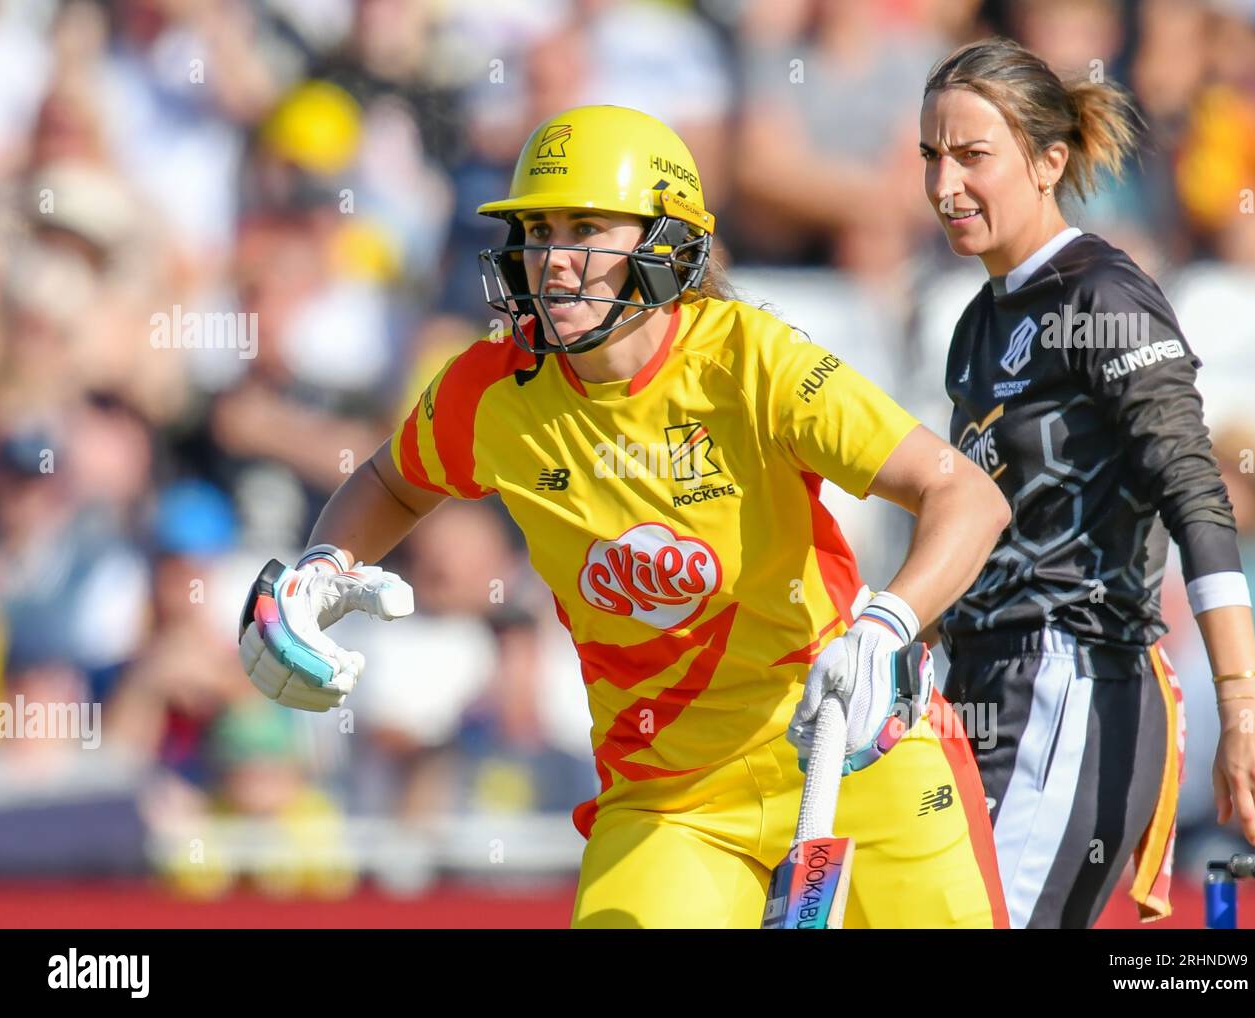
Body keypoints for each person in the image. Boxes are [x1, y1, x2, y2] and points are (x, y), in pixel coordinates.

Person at [236, 104, 1012, 929]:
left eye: (585, 228)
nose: (552, 261)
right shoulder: (490, 387)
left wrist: (889, 623)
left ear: (663, 243)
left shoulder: (756, 362)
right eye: (537, 230)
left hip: (853, 756)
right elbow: (393, 482)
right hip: (669, 797)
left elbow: (966, 492)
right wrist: (323, 567)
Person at [920, 37, 1255, 928]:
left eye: (973, 156)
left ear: (1050, 160)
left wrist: (1245, 705)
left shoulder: (1104, 295)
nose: (944, 186)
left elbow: (1195, 491)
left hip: (1073, 682)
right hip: (977, 690)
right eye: (931, 156)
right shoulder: (976, 321)